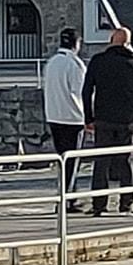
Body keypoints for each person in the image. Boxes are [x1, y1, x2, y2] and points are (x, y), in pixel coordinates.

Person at [81, 26, 133, 216]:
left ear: (111, 39)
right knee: (126, 162)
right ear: (128, 43)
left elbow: (87, 91)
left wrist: (88, 117)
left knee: (101, 162)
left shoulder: (98, 61)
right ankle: (126, 204)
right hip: (126, 120)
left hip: (103, 119)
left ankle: (99, 205)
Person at [43, 27, 87, 207]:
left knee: (62, 159)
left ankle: (68, 197)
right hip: (73, 118)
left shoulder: (51, 63)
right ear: (76, 44)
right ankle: (66, 200)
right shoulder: (75, 64)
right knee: (71, 161)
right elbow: (80, 92)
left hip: (53, 115)